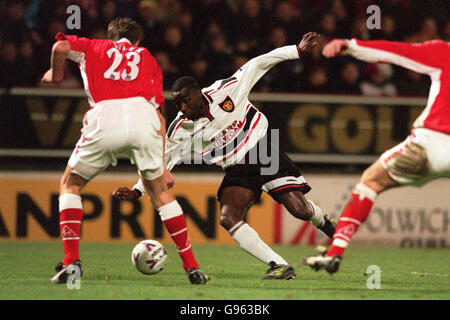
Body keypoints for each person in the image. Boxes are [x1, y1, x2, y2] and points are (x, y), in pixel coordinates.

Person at [113, 32, 337, 280]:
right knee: (228, 218)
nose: (183, 108)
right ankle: (280, 266)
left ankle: (324, 222)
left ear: (199, 93)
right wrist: (137, 191)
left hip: (263, 150)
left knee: (300, 210)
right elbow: (161, 162)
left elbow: (258, 63)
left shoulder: (225, 91)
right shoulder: (179, 128)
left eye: (186, 101)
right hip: (237, 167)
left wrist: (295, 50)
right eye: (178, 104)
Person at [42, 17, 208, 285]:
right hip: (144, 118)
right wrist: (163, 166)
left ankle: (72, 263)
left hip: (105, 115)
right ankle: (192, 268)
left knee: (70, 184)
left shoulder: (94, 46)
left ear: (111, 37)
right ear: (138, 40)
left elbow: (59, 48)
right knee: (161, 193)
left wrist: (56, 74)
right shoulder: (148, 58)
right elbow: (159, 114)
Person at [304, 37, 450, 274]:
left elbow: (398, 51)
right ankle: (329, 248)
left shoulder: (445, 53)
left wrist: (351, 45)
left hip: (433, 142)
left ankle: (334, 253)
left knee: (370, 182)